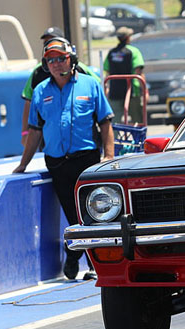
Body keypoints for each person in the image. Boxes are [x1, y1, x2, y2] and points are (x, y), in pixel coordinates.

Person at [13, 38, 115, 280]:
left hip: (86, 160)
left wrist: (109, 156)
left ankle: (92, 264)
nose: (57, 64)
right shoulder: (40, 91)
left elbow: (105, 122)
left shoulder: (90, 84)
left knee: (91, 213)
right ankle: (73, 250)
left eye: (61, 58)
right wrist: (23, 164)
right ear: (45, 65)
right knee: (73, 213)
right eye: (51, 60)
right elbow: (35, 131)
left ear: (72, 60)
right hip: (57, 163)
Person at [20, 27, 100, 148]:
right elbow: (28, 102)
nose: (50, 44)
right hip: (49, 140)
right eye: (46, 42)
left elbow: (99, 89)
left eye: (53, 40)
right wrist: (25, 132)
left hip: (83, 143)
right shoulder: (37, 72)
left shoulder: (80, 69)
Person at [104, 26, 146, 124]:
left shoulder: (111, 52)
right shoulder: (134, 51)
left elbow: (107, 72)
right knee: (137, 121)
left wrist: (107, 89)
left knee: (114, 122)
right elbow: (138, 72)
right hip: (131, 91)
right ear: (128, 38)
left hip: (115, 91)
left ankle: (114, 134)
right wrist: (145, 91)